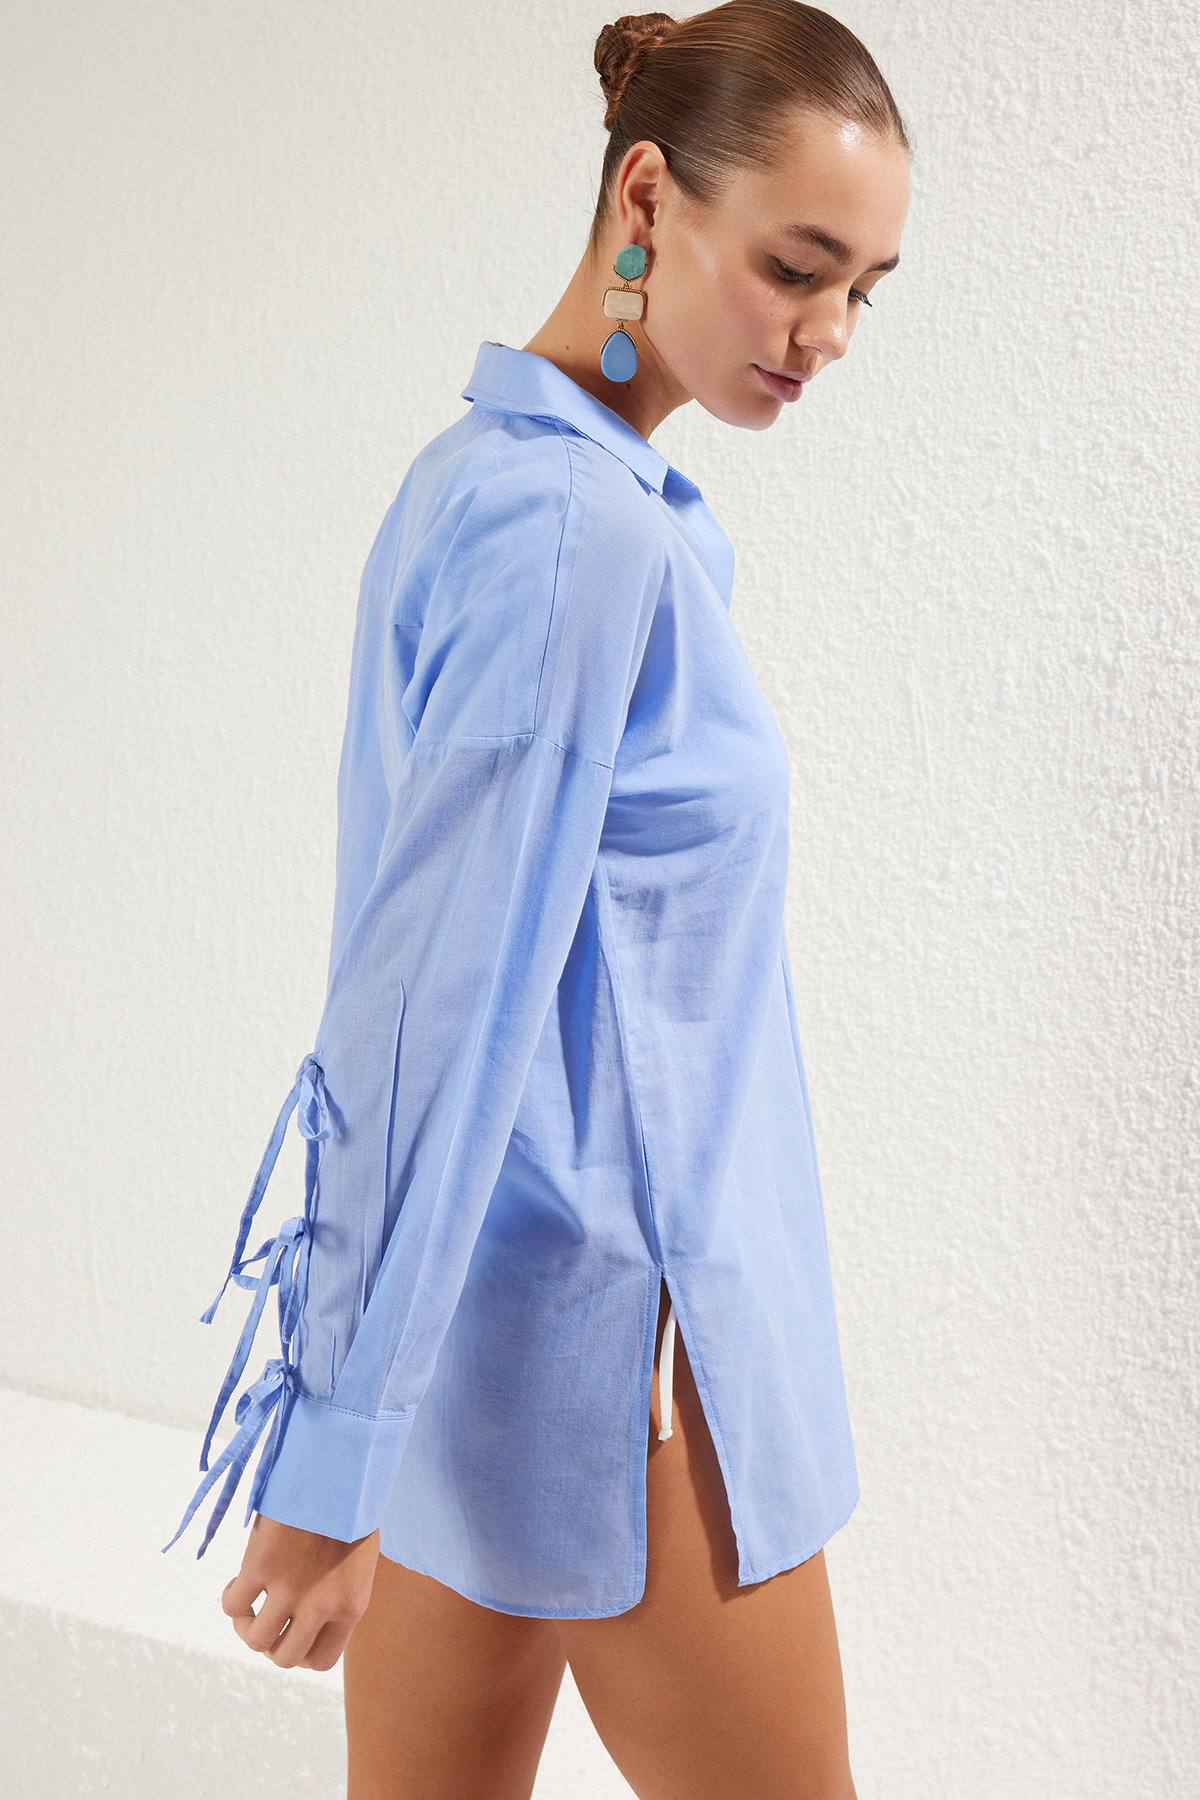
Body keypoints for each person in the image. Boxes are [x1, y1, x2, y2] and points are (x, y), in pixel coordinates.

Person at [162, 5, 910, 1795]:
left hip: (484, 1355)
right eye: (797, 267)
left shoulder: (492, 486)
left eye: (867, 288)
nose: (828, 333)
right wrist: (325, 1451)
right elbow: (438, 1000)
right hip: (627, 1364)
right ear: (646, 196)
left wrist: (357, 1421)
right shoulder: (583, 536)